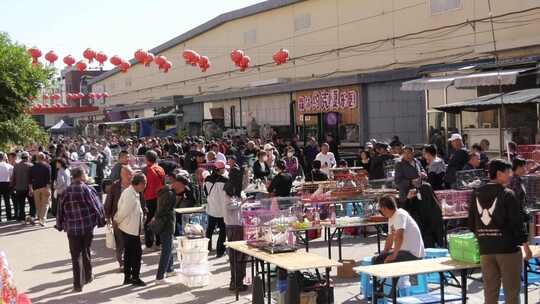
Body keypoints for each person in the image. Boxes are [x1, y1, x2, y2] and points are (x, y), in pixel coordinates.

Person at [468, 159, 531, 304]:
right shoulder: (508, 194)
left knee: (490, 294)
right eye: (508, 172)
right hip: (508, 250)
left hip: (485, 250)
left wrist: (484, 236)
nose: (510, 175)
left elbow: (471, 224)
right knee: (512, 293)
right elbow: (517, 224)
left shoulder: (476, 193)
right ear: (499, 173)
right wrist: (526, 247)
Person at [56, 167, 105, 292]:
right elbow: (97, 206)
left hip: (72, 228)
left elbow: (60, 211)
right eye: (85, 173)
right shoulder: (87, 189)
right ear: (81, 175)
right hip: (87, 227)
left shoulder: (66, 191)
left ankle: (78, 284)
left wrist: (60, 225)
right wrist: (101, 220)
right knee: (86, 250)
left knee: (75, 255)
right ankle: (88, 276)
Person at [372, 195, 425, 297]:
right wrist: (385, 251)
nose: (381, 212)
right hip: (404, 251)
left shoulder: (400, 215)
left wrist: (394, 254)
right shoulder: (392, 217)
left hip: (413, 253)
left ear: (384, 208)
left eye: (381, 209)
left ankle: (387, 291)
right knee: (378, 259)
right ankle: (382, 289)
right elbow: (390, 238)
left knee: (388, 260)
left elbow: (399, 236)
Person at [154, 174, 187, 284]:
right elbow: (164, 211)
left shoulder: (166, 190)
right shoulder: (170, 194)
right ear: (178, 184)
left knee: (169, 248)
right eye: (183, 187)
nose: (182, 190)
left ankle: (168, 270)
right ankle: (160, 277)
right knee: (166, 251)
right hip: (166, 225)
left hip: (164, 224)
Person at [115, 173, 147, 287]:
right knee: (136, 254)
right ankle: (135, 278)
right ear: (138, 184)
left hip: (129, 228)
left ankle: (128, 277)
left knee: (129, 253)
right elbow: (123, 211)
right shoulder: (130, 194)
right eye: (144, 184)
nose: (145, 187)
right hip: (129, 229)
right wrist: (118, 221)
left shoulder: (133, 192)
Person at [104, 166, 134, 271]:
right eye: (128, 174)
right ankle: (121, 263)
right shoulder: (115, 186)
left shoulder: (134, 185)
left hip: (131, 218)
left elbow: (141, 198)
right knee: (120, 241)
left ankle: (129, 261)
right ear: (122, 174)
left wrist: (144, 211)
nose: (130, 176)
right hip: (118, 218)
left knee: (130, 241)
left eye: (131, 174)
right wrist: (107, 217)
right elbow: (108, 201)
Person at [404, 183, 444, 248]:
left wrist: (408, 199)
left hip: (421, 240)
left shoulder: (416, 205)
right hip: (424, 240)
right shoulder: (435, 207)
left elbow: (404, 210)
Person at [205, 160, 229, 257]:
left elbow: (206, 193)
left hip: (211, 208)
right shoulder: (225, 180)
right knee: (223, 231)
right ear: (218, 170)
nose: (224, 170)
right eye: (223, 168)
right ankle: (220, 252)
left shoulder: (207, 179)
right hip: (222, 210)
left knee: (209, 230)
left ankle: (206, 249)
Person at [224, 194, 247, 292]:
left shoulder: (235, 191)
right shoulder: (228, 192)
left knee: (236, 256)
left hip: (235, 224)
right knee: (238, 256)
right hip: (234, 225)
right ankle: (237, 283)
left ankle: (236, 282)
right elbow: (229, 206)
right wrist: (241, 202)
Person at [143, 150, 165, 249]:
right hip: (160, 197)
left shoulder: (146, 170)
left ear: (147, 159)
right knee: (159, 218)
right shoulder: (160, 169)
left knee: (148, 220)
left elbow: (143, 185)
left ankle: (149, 243)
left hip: (149, 197)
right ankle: (159, 242)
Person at [30, 152, 51, 227]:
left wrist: (30, 189)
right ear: (44, 158)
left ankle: (40, 218)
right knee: (45, 204)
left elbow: (30, 179)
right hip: (45, 187)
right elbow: (48, 179)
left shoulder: (32, 167)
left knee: (38, 204)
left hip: (36, 188)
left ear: (37, 158)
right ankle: (43, 220)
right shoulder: (47, 166)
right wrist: (48, 189)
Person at [11, 152, 34, 222]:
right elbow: (32, 177)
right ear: (27, 157)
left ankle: (22, 217)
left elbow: (13, 177)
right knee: (31, 203)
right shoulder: (30, 165)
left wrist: (12, 186)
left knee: (21, 204)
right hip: (28, 187)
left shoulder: (16, 165)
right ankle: (31, 216)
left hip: (18, 188)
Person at [0, 152, 13, 222]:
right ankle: (9, 216)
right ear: (3, 157)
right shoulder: (9, 166)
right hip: (6, 184)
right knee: (7, 201)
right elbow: (12, 177)